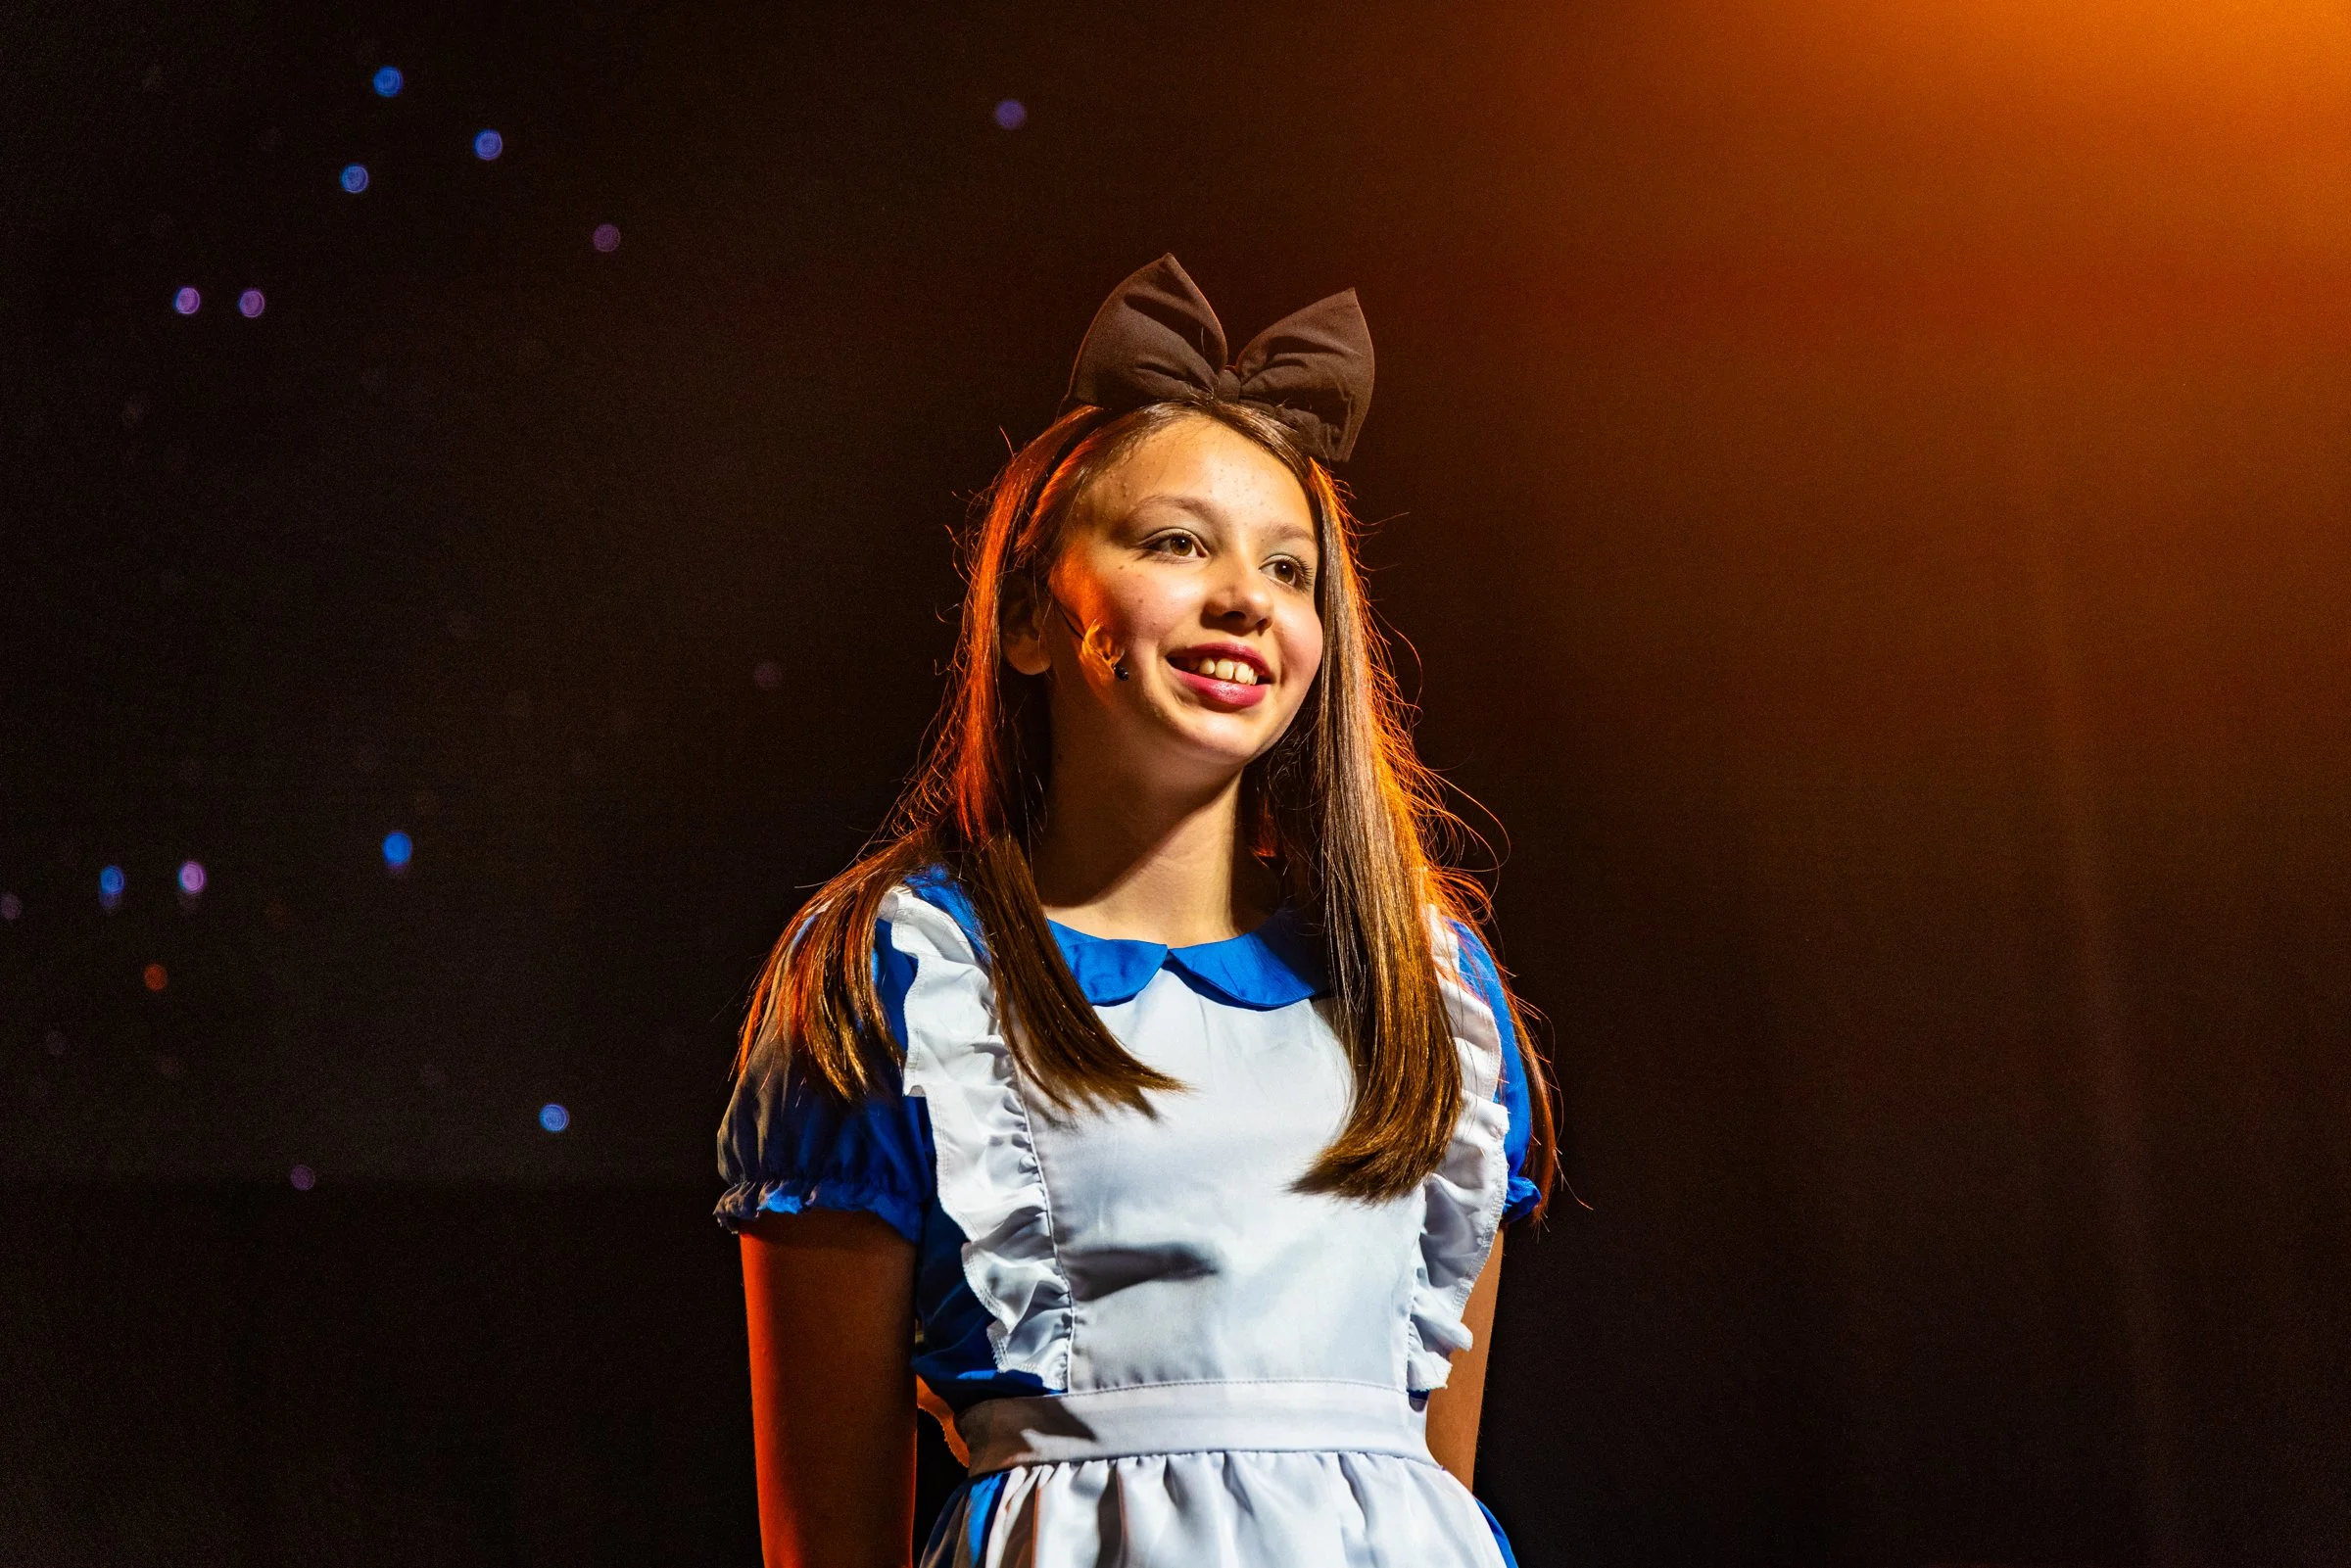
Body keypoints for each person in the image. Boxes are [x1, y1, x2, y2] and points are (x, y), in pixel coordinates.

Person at [716, 254, 1557, 1567]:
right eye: (1175, 542)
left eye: (1289, 569)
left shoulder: (1425, 983)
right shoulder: (899, 972)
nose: (1244, 597)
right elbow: (825, 1538)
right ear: (1029, 617)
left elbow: (1426, 1485)